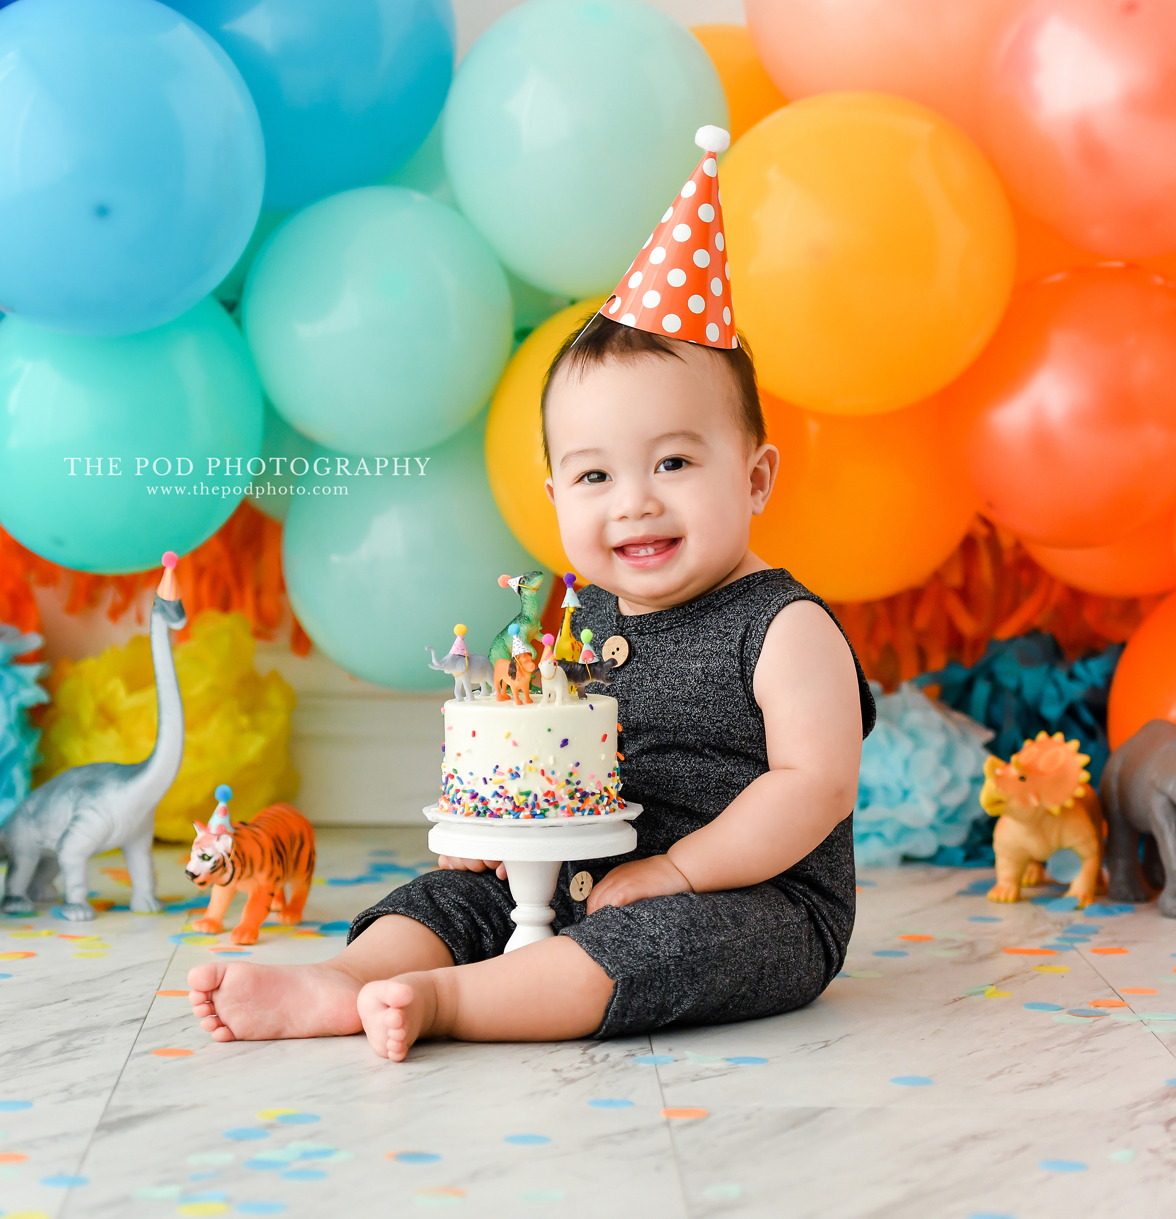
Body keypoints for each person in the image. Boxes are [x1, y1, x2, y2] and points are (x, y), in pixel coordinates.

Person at [186, 127, 875, 1060]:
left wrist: (680, 869)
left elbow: (816, 786)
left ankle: (451, 1002)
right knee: (451, 894)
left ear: (755, 479)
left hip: (753, 897)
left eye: (674, 461)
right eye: (594, 478)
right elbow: (552, 751)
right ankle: (345, 981)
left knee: (657, 948)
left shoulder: (783, 628)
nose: (634, 502)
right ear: (555, 498)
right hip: (586, 866)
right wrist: (505, 833)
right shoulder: (581, 614)